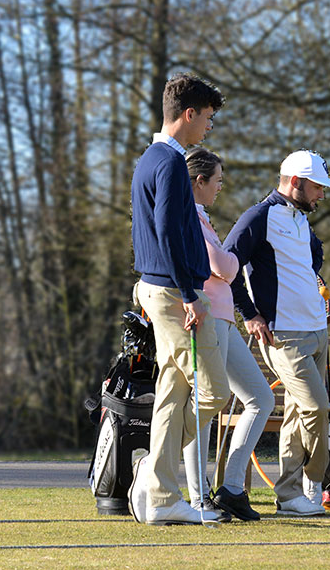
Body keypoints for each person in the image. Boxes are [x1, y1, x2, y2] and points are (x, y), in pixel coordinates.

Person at [128, 73, 230, 526]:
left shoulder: (149, 158)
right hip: (173, 294)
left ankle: (162, 494)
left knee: (174, 393)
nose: (208, 127)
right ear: (188, 114)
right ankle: (156, 476)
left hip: (160, 287)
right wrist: (190, 294)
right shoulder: (169, 162)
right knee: (214, 390)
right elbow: (168, 231)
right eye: (206, 118)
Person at [223, 149, 330, 517]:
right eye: (317, 187)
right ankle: (313, 482)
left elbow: (314, 254)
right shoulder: (259, 217)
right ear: (295, 183)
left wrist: (308, 276)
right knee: (317, 407)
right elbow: (226, 265)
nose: (322, 195)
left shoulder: (302, 219)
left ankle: (288, 496)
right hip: (283, 335)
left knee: (296, 414)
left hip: (317, 330)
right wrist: (251, 315)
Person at [181, 148, 275, 522]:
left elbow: (225, 267)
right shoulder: (189, 215)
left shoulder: (202, 216)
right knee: (205, 405)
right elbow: (222, 266)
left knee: (260, 397)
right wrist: (230, 262)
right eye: (217, 180)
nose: (220, 187)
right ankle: (198, 497)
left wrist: (228, 264)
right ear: (199, 181)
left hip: (224, 320)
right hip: (208, 318)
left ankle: (231, 488)